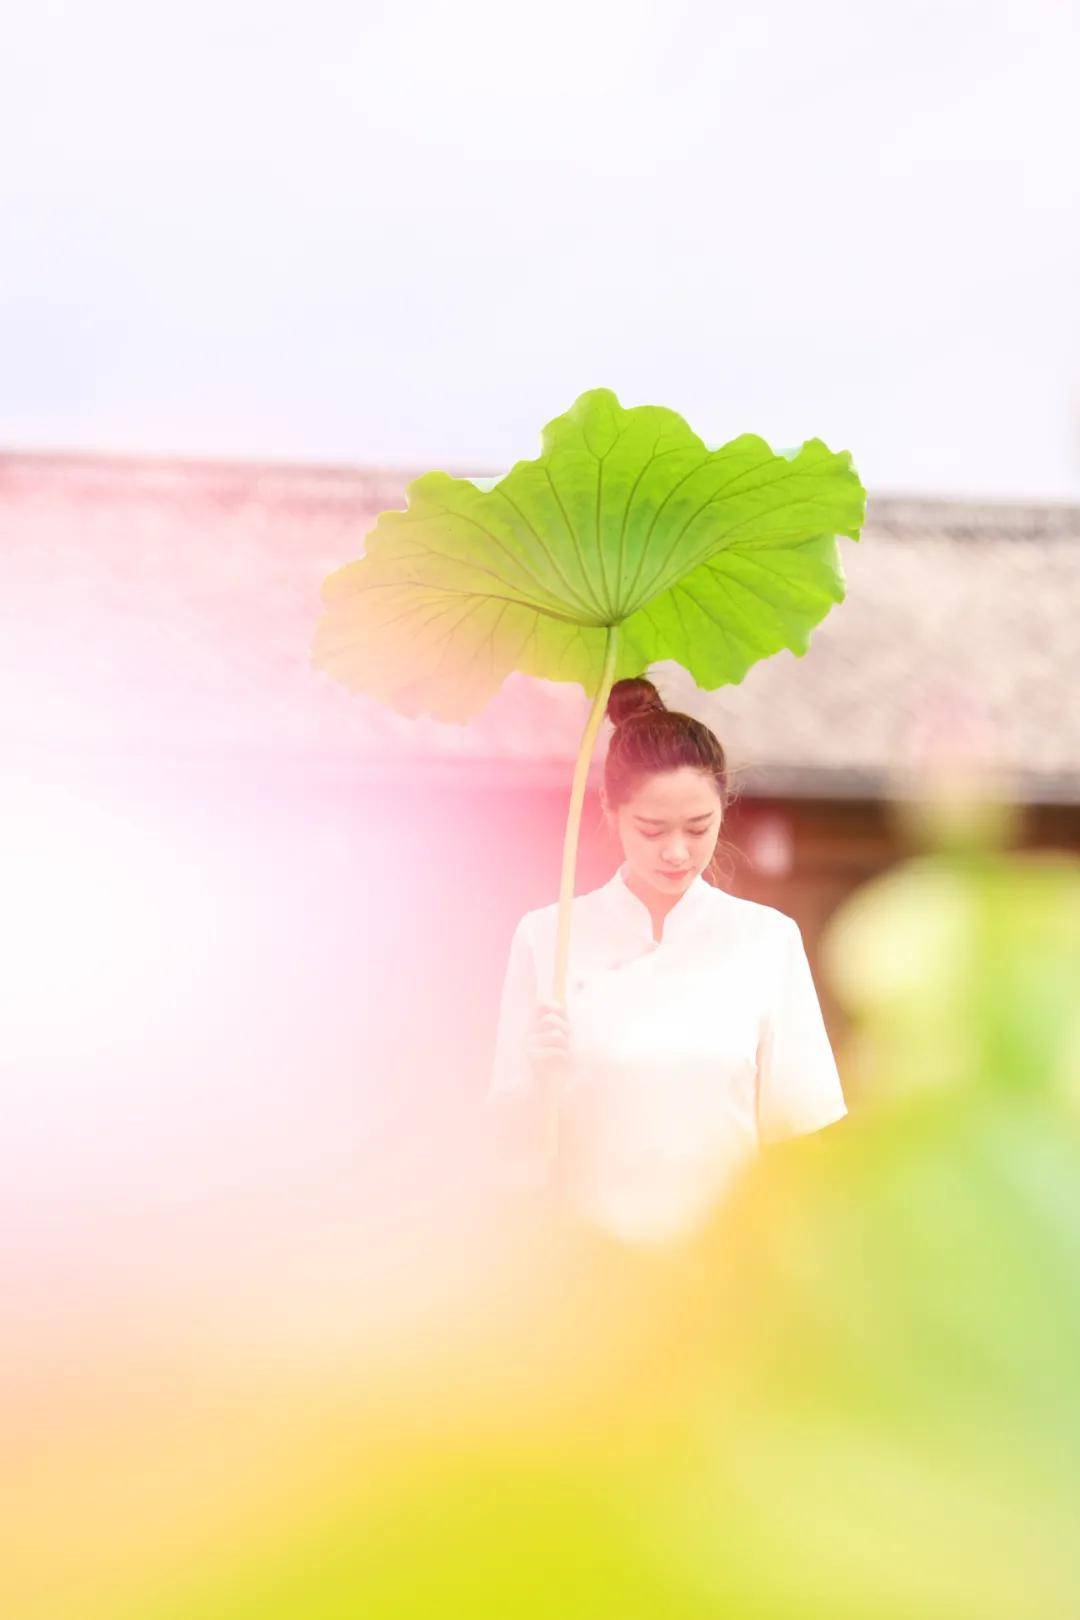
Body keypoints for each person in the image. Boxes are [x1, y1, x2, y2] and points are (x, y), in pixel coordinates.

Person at [488, 676, 847, 1244]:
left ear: (723, 807)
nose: (677, 852)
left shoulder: (766, 940)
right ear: (610, 808)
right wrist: (537, 1080)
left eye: (699, 827)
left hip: (729, 1262)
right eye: (652, 829)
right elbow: (508, 1155)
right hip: (591, 1264)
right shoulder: (547, 937)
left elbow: (802, 1131)